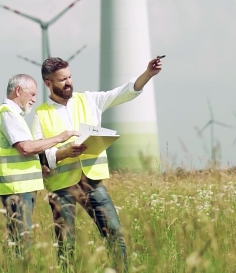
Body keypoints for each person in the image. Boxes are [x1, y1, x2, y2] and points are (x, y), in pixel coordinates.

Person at [31, 56, 163, 271]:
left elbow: (124, 92)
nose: (69, 82)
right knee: (66, 244)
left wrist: (148, 73)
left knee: (114, 234)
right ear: (49, 83)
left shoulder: (89, 100)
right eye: (62, 79)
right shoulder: (41, 115)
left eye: (70, 76)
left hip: (92, 182)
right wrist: (64, 153)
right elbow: (40, 153)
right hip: (61, 187)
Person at [0, 73, 79, 256]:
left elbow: (21, 153)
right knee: (22, 242)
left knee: (18, 240)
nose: (35, 99)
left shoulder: (9, 114)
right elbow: (26, 148)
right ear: (18, 90)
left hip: (18, 187)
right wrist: (60, 137)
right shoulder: (8, 114)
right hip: (17, 189)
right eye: (32, 94)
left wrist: (39, 167)